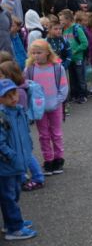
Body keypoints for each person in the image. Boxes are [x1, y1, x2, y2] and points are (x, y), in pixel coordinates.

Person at [24, 39, 69, 179]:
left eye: (39, 52)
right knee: (43, 135)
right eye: (34, 53)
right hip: (39, 109)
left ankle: (59, 159)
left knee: (56, 133)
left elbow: (63, 87)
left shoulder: (57, 67)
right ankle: (48, 160)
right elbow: (26, 88)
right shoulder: (29, 69)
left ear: (47, 52)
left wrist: (58, 101)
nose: (36, 55)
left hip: (55, 106)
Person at [0, 78, 37, 240]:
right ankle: (14, 228)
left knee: (14, 193)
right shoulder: (2, 116)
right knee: (9, 196)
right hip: (6, 165)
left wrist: (27, 150)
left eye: (14, 93)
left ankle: (11, 222)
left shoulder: (19, 110)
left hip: (17, 163)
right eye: (7, 96)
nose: (13, 98)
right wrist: (12, 156)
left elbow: (25, 134)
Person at [59, 9, 88, 104]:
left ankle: (83, 95)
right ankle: (74, 94)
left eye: (62, 20)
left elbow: (85, 43)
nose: (60, 22)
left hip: (78, 58)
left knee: (80, 77)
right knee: (72, 78)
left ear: (68, 20)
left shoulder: (77, 29)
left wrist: (75, 50)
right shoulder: (63, 30)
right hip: (69, 59)